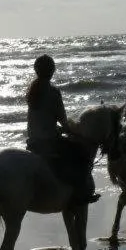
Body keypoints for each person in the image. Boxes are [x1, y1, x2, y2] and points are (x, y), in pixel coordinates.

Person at [26, 55, 99, 204]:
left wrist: (58, 129)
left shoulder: (32, 90)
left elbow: (42, 120)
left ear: (36, 70)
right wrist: (74, 131)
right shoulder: (52, 91)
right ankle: (82, 194)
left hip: (32, 140)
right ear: (52, 71)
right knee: (82, 155)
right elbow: (64, 123)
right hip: (48, 142)